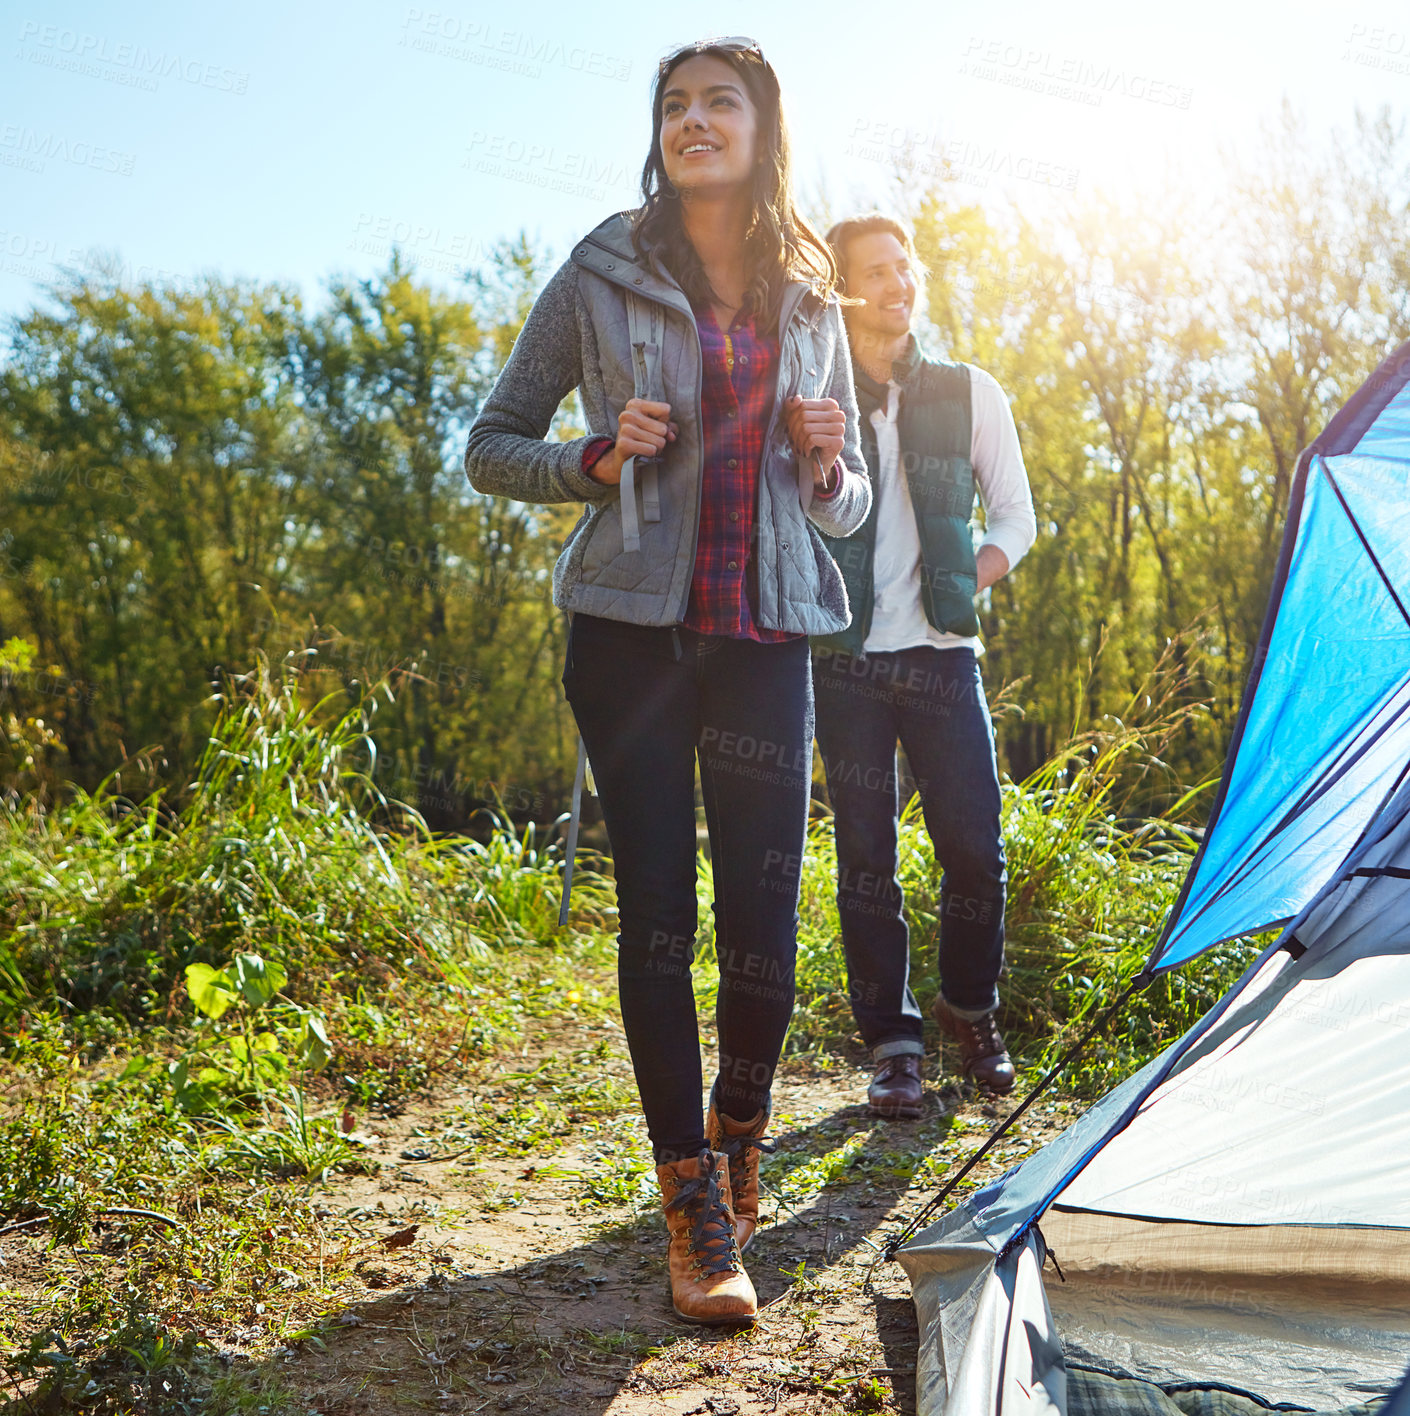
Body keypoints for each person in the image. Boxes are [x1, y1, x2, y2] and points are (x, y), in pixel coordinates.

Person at [464, 38, 871, 1325]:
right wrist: (592, 455)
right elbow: (490, 444)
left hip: (764, 635)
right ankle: (691, 1196)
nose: (694, 121)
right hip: (630, 640)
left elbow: (849, 508)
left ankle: (739, 1121)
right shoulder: (601, 264)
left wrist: (827, 466)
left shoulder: (811, 289)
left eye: (720, 103)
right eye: (675, 105)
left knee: (766, 923)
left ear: (764, 129)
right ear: (659, 132)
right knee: (658, 915)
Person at [810, 212, 1036, 1118]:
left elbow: (1015, 516)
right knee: (866, 857)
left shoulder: (967, 389)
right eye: (877, 271)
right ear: (842, 291)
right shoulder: (813, 400)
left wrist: (964, 580)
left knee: (976, 852)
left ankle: (969, 1010)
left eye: (907, 268)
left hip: (945, 659)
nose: (899, 283)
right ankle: (893, 1043)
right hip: (846, 660)